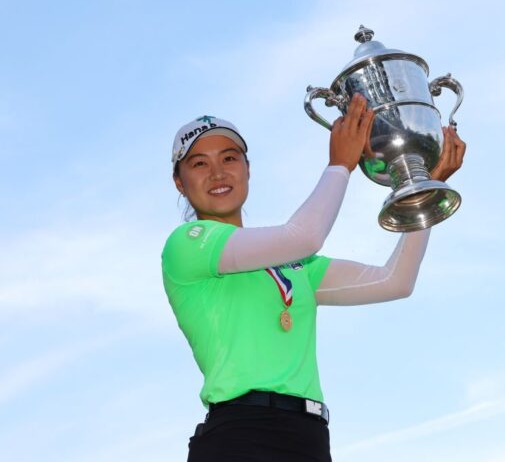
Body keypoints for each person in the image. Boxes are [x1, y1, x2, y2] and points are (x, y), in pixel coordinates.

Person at [161, 94, 466, 462]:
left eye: (229, 158)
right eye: (199, 163)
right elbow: (304, 236)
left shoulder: (294, 264)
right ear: (179, 182)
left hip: (308, 437)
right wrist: (339, 166)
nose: (218, 173)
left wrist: (422, 191)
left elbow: (396, 280)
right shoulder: (187, 244)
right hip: (240, 434)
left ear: (247, 168)